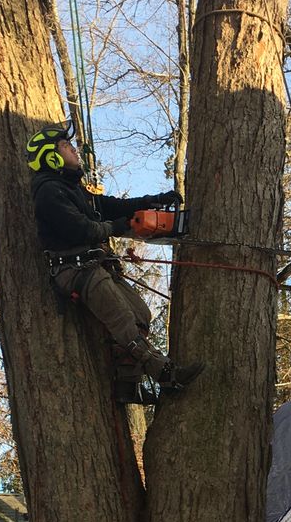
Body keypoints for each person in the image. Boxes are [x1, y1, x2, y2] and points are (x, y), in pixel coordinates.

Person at [26, 123, 204, 401]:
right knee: (123, 320)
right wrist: (118, 226)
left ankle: (127, 385)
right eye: (65, 146)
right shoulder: (49, 192)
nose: (73, 149)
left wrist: (153, 202)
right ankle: (166, 374)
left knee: (140, 314)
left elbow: (112, 206)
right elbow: (82, 229)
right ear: (52, 157)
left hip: (94, 265)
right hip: (74, 269)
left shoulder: (74, 190)